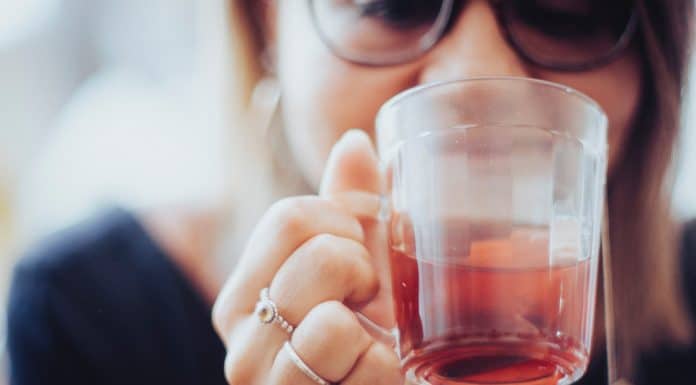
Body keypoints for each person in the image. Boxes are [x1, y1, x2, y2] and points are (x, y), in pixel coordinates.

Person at [6, 1, 696, 384]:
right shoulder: (85, 318)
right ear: (267, 23)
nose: (482, 75)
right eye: (394, 2)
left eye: (567, 10)